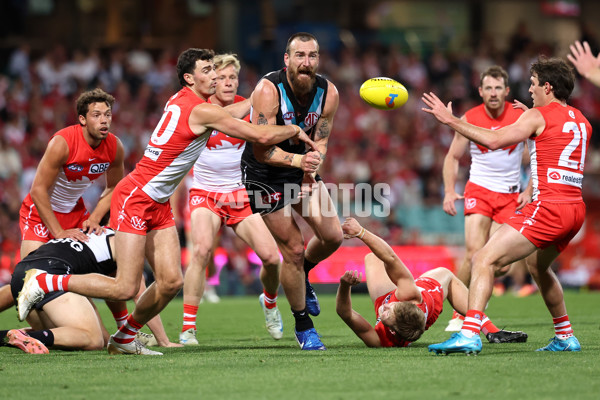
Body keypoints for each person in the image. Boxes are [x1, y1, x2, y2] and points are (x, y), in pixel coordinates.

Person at [16, 48, 314, 356]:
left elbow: (232, 114)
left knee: (171, 281)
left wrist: (258, 97)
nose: (214, 75)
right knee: (125, 287)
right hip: (137, 197)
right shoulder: (201, 111)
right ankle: (47, 282)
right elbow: (258, 135)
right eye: (208, 71)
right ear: (190, 78)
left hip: (156, 202)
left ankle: (124, 338)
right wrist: (294, 128)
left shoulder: (185, 101)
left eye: (215, 69)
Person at [422, 56, 591, 354]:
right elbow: (551, 143)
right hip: (575, 210)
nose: (530, 89)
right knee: (537, 266)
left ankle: (469, 333)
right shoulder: (582, 120)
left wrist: (451, 121)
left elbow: (497, 141)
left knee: (482, 259)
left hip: (548, 208)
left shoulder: (537, 116)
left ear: (548, 87)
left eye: (534, 84)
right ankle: (565, 335)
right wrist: (533, 119)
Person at [241, 32, 343, 350]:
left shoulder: (329, 93)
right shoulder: (268, 90)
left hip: (299, 169)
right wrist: (301, 161)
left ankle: (304, 276)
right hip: (265, 175)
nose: (306, 62)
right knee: (294, 250)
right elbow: (261, 150)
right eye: (299, 55)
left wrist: (315, 161)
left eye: (312, 56)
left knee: (333, 236)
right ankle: (303, 325)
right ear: (287, 59)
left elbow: (321, 137)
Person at [0, 88, 126, 332]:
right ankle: (38, 332)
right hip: (40, 214)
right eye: (97, 115)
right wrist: (58, 231)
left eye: (108, 114)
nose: (104, 120)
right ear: (82, 119)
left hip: (76, 215)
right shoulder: (63, 142)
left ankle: (123, 329)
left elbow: (115, 187)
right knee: (28, 280)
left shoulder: (114, 147)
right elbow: (37, 190)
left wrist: (95, 218)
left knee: (110, 265)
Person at [179, 53, 283, 345]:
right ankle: (188, 328)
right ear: (211, 80)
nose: (226, 82)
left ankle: (270, 302)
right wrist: (255, 98)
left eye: (232, 77)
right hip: (205, 193)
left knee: (273, 259)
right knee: (200, 251)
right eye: (221, 77)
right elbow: (228, 118)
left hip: (239, 194)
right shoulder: (199, 107)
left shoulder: (249, 108)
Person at [336, 217, 526, 348]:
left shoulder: (379, 339)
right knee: (447, 275)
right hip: (429, 304)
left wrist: (344, 286)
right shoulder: (410, 293)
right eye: (388, 309)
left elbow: (345, 313)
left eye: (385, 314)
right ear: (402, 301)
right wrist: (360, 232)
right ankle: (489, 329)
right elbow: (391, 258)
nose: (382, 310)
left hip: (415, 318)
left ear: (391, 329)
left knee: (372, 258)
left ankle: (486, 327)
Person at [442, 66, 532, 331]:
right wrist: (449, 190)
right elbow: (452, 157)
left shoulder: (521, 117)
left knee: (499, 264)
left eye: (498, 88)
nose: (493, 93)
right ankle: (461, 314)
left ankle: (478, 299)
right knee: (473, 252)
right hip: (478, 191)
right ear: (480, 91)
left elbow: (536, 154)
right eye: (488, 88)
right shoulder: (469, 118)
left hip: (509, 196)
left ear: (506, 91)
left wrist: (530, 190)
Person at [3, 228, 180, 354]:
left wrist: (121, 325)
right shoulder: (127, 242)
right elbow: (138, 291)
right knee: (92, 339)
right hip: (51, 273)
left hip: (23, 274)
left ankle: (7, 336)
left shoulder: (101, 236)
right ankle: (27, 336)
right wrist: (163, 340)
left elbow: (112, 289)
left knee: (101, 338)